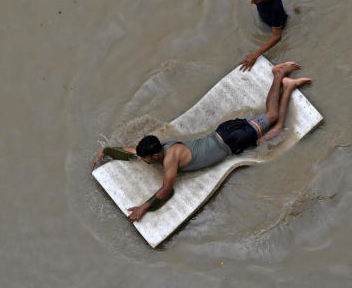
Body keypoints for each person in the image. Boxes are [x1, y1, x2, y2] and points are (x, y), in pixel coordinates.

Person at [92, 62, 312, 223]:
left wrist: (143, 208)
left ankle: (279, 75)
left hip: (232, 140)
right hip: (225, 133)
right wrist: (106, 150)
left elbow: (166, 189)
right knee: (274, 130)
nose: (143, 160)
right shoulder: (156, 149)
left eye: (146, 159)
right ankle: (289, 87)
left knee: (273, 117)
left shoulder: (171, 159)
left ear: (156, 156)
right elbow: (131, 152)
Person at [239, 0, 289, 72]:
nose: (251, 2)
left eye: (255, 0)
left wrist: (255, 55)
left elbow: (277, 36)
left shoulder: (275, 8)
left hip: (274, 23)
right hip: (266, 16)